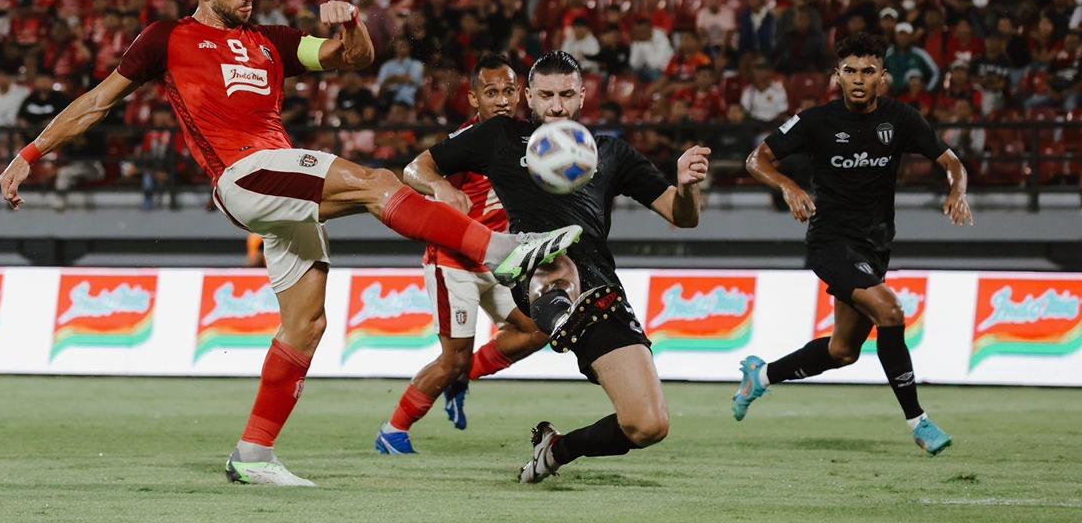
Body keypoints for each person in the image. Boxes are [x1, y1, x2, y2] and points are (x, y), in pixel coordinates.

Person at [0, 0, 582, 487]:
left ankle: (253, 453)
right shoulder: (166, 39)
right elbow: (97, 102)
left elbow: (349, 58)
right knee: (377, 182)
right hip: (244, 174)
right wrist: (30, 154)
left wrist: (350, 25)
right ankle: (504, 252)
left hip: (282, 185)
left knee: (307, 323)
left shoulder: (270, 41)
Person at [404, 50, 711, 483]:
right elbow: (416, 167)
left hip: (599, 290)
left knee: (648, 425)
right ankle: (552, 305)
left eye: (566, 95)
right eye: (546, 95)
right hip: (535, 270)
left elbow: (681, 216)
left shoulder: (610, 152)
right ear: (528, 97)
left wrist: (687, 186)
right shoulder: (500, 137)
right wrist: (440, 188)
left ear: (582, 95)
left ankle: (557, 449)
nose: (556, 106)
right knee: (554, 262)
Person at [734, 33, 973, 456]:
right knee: (890, 311)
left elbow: (950, 161)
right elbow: (757, 159)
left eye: (867, 71)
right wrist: (788, 185)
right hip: (830, 242)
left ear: (882, 76)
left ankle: (762, 376)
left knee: (843, 351)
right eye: (850, 71)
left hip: (875, 246)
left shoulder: (901, 119)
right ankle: (919, 422)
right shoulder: (815, 121)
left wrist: (957, 190)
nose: (858, 79)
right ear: (837, 76)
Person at [376, 55, 551, 454]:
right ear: (474, 99)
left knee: (536, 330)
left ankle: (460, 378)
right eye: (491, 92)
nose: (502, 100)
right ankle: (393, 430)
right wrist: (440, 186)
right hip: (453, 262)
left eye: (508, 91)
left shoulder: (530, 140)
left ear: (521, 95)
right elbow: (414, 171)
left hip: (499, 261)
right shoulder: (467, 141)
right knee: (453, 358)